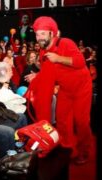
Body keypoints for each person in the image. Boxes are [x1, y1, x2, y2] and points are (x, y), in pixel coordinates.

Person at [28, 16, 93, 165]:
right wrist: (37, 77)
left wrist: (59, 58)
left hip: (81, 88)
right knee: (62, 120)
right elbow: (48, 72)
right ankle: (67, 147)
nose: (39, 37)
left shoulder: (66, 43)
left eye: (43, 33)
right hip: (65, 90)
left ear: (52, 33)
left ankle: (84, 151)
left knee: (81, 122)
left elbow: (80, 62)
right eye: (37, 34)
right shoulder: (43, 52)